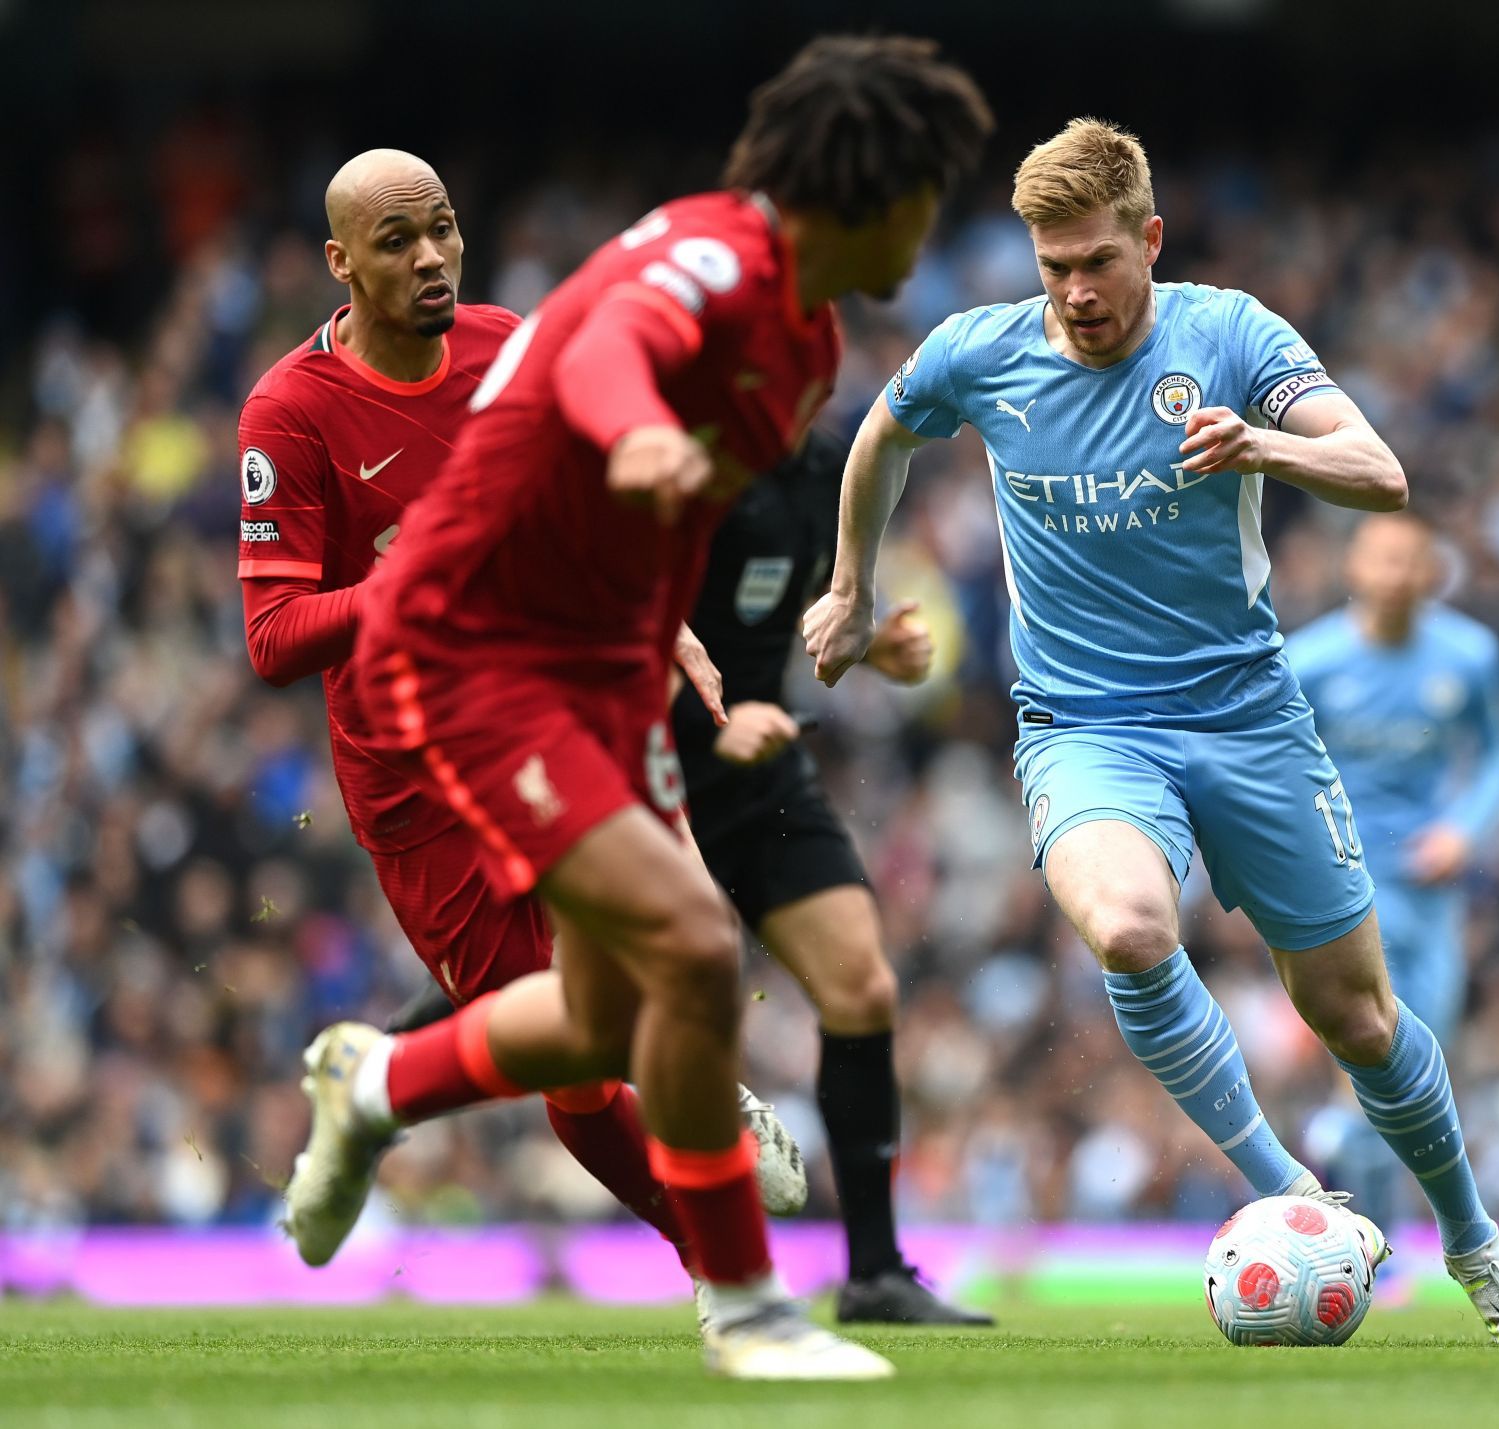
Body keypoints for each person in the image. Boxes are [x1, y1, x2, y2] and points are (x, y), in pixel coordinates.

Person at [283, 37, 993, 1380]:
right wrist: (635, 434)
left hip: (603, 664)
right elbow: (608, 346)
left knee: (605, 1014)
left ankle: (372, 1083)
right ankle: (748, 1311)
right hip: (469, 640)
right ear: (874, 188)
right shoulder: (716, 259)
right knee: (696, 950)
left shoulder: (811, 342)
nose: (931, 221)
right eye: (927, 192)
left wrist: (753, 651)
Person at [803, 118, 1499, 1344]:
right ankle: (1289, 1190)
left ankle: (1476, 1245)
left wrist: (1259, 442)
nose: (1075, 290)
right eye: (1052, 265)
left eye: (1098, 260)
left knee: (1359, 1017)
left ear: (1148, 241)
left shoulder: (1230, 336)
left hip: (1249, 715)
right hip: (1086, 727)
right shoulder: (980, 354)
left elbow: (1381, 472)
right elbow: (881, 436)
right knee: (1128, 926)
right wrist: (850, 582)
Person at [239, 149, 801, 1293]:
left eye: (442, 227)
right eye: (398, 242)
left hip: (549, 702)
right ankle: (376, 1085)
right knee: (578, 1063)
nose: (433, 255)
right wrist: (420, 581)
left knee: (672, 940)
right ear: (342, 264)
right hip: (413, 768)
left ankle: (730, 1275)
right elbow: (275, 637)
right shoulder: (291, 414)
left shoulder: (508, 346)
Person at [670, 427, 989, 1324]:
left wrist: (870, 637)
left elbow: (792, 593)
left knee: (861, 982)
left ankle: (876, 1271)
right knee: (641, 993)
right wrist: (697, 718)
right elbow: (610, 604)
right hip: (642, 756)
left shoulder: (824, 472)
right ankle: (388, 1074)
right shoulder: (681, 459)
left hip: (761, 764)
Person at [1285, 513, 1499, 1046]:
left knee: (1433, 1029)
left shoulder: (1469, 657)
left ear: (1433, 573)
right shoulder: (1309, 663)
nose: (1395, 575)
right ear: (1354, 567)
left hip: (1428, 869)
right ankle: (1346, 1124)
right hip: (1345, 867)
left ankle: (1360, 1128)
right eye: (1383, 559)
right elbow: (1278, 771)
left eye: (1409, 562)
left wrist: (1464, 830)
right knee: (1368, 1027)